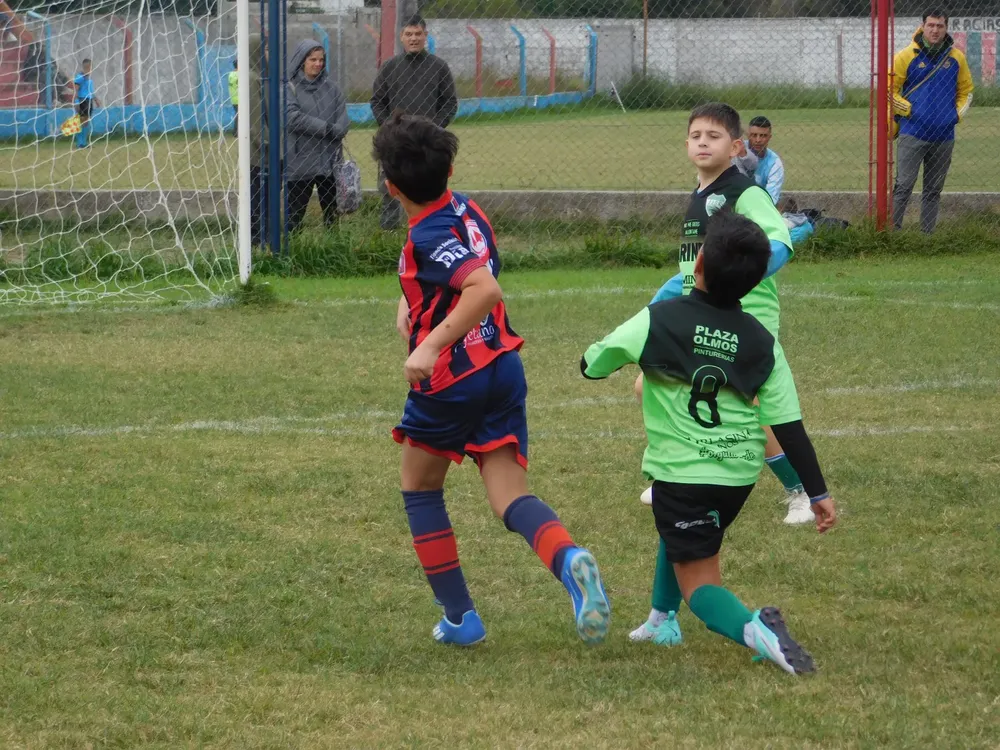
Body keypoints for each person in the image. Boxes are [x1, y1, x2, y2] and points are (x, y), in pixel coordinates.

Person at [375, 112, 610, 647]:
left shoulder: (427, 234)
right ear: (450, 169)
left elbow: (481, 286)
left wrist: (432, 343)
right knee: (509, 495)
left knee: (419, 487)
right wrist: (414, 304)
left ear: (389, 186)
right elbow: (470, 268)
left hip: (454, 378)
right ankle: (568, 558)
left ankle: (461, 618)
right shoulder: (464, 209)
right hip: (502, 364)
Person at [582, 211, 837, 675]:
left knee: (700, 586)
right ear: (755, 281)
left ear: (695, 262)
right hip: (738, 475)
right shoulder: (763, 342)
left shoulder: (658, 319)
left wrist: (600, 359)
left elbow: (594, 362)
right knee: (683, 535)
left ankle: (755, 629)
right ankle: (661, 622)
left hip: (686, 473)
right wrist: (817, 493)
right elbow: (790, 426)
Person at [631, 102, 814, 646]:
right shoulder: (698, 200)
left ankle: (801, 492)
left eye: (715, 135)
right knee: (654, 393)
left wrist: (732, 291)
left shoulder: (745, 193)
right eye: (695, 135)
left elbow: (777, 245)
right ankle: (663, 616)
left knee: (750, 422)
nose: (703, 142)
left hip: (742, 327)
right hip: (703, 323)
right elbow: (691, 271)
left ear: (738, 147)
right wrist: (662, 303)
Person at [370, 15, 457, 229]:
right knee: (390, 190)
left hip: (426, 143)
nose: (414, 39)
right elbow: (377, 101)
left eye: (418, 34)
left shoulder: (439, 67)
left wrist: (434, 129)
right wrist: (390, 128)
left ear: (425, 36)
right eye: (409, 34)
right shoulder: (389, 67)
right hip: (396, 142)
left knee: (431, 189)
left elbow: (450, 103)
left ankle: (432, 229)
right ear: (401, 37)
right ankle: (389, 234)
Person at [891, 10, 973, 234]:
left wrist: (955, 116)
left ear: (946, 28)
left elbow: (967, 92)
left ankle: (927, 236)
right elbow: (890, 91)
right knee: (903, 186)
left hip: (944, 137)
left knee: (933, 190)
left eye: (940, 26)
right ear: (922, 26)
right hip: (912, 133)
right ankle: (892, 233)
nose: (935, 30)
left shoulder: (956, 57)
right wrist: (907, 109)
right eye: (931, 25)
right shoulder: (905, 56)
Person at [285, 40, 350, 234]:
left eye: (321, 59)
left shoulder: (332, 88)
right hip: (300, 161)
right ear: (301, 61)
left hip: (329, 161)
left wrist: (337, 129)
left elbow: (343, 119)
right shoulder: (289, 88)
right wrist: (328, 129)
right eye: (312, 59)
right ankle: (293, 252)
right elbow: (292, 118)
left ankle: (332, 249)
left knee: (332, 214)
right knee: (294, 215)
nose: (318, 64)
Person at [746, 116, 784, 204]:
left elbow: (771, 198)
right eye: (754, 135)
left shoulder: (775, 163)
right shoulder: (736, 151)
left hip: (760, 205)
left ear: (769, 137)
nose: (758, 140)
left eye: (763, 136)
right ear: (748, 136)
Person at [73, 58, 99, 149]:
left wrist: (96, 99)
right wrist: (76, 102)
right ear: (87, 67)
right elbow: (76, 89)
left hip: (89, 101)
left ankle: (84, 142)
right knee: (82, 121)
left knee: (86, 122)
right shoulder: (80, 77)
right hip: (82, 101)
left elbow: (90, 90)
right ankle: (79, 143)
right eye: (90, 66)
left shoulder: (89, 78)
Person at [228, 59, 239, 137]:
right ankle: (236, 132)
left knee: (238, 116)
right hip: (239, 99)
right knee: (239, 117)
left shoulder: (231, 74)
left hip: (233, 98)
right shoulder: (239, 75)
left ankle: (236, 132)